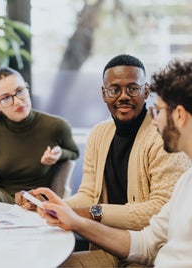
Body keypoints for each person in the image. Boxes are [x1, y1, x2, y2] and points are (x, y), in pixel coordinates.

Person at [16, 54, 191, 265]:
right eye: (115, 90)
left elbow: (155, 213)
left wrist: (90, 213)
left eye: (133, 89)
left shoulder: (164, 141)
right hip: (113, 244)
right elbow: (90, 195)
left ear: (145, 92)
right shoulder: (99, 133)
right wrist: (55, 205)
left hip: (143, 257)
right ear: (104, 93)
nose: (123, 96)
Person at [0, 67, 79, 204]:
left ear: (27, 88)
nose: (17, 101)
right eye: (6, 98)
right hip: (3, 202)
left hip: (36, 202)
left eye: (20, 91)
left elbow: (74, 152)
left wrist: (59, 154)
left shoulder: (56, 125)